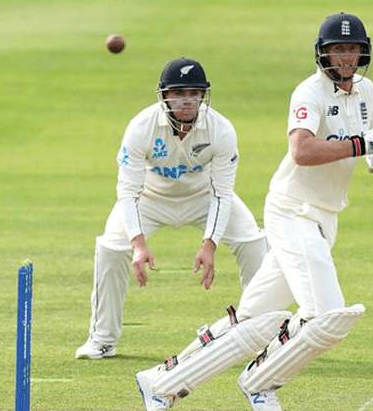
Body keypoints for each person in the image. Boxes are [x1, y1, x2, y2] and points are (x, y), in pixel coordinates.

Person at [134, 13, 373, 411]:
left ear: (362, 52)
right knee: (326, 317)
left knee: (253, 318)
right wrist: (364, 146)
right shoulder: (308, 93)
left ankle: (160, 382)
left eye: (352, 50)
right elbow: (303, 151)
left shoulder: (367, 92)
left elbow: (361, 145)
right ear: (323, 54)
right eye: (338, 50)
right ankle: (259, 383)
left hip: (325, 217)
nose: (345, 58)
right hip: (292, 212)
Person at [75, 57, 268, 359]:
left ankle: (262, 335)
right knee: (111, 248)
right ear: (164, 95)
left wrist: (209, 244)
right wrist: (138, 244)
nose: (187, 101)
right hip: (150, 198)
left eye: (194, 94)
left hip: (204, 196)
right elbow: (127, 191)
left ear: (203, 95)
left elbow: (222, 192)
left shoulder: (221, 129)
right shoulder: (141, 126)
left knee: (254, 242)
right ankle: (102, 339)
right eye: (179, 93)